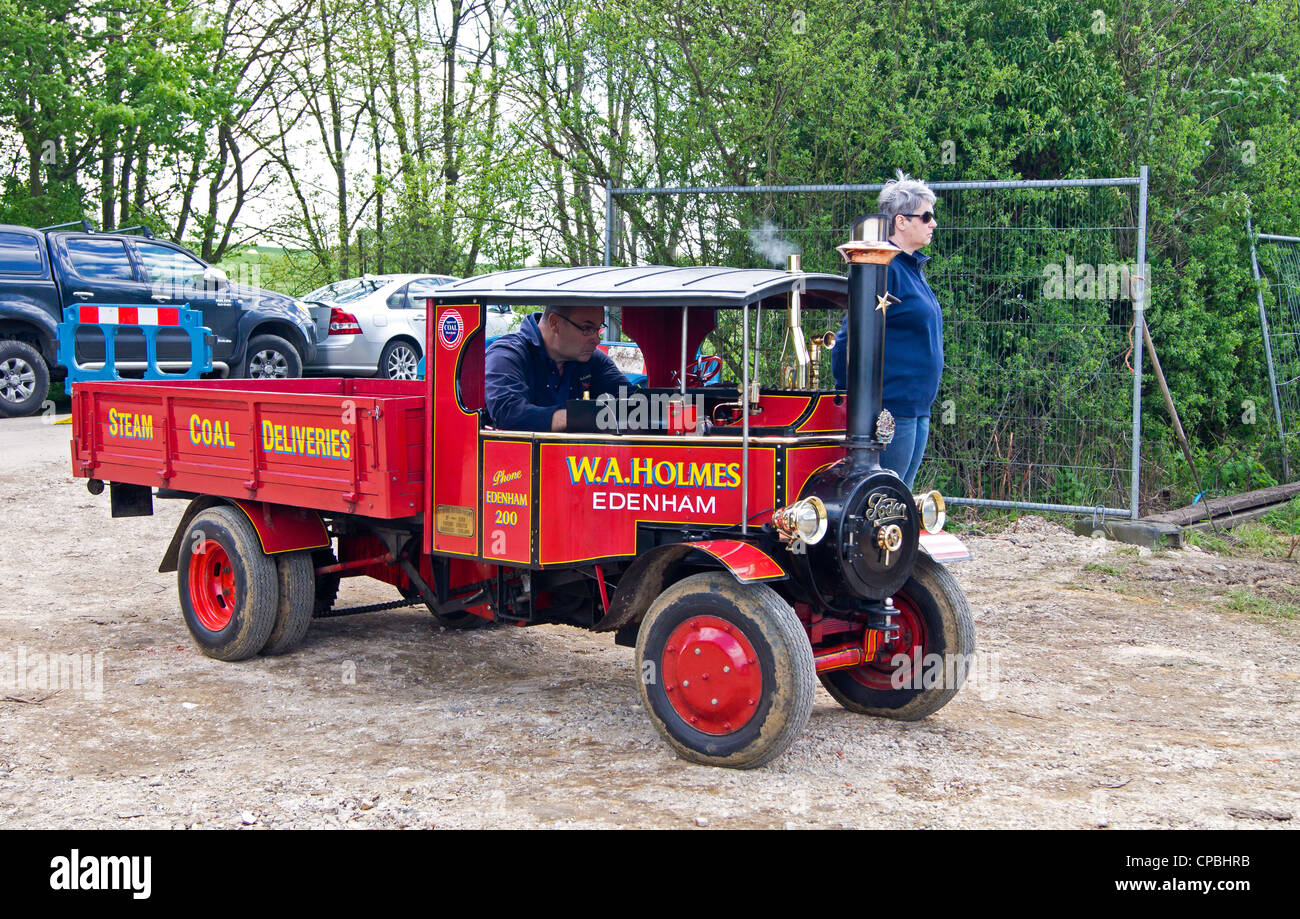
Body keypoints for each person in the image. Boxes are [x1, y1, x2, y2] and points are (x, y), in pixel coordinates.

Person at [830, 171, 942, 489]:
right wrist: (849, 397)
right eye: (926, 216)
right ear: (901, 222)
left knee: (900, 498)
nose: (933, 223)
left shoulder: (912, 269)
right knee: (885, 497)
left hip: (918, 407)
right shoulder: (885, 268)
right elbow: (846, 341)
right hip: (892, 411)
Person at [485, 303, 629, 431]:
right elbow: (507, 412)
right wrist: (580, 418)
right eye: (587, 328)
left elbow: (631, 399)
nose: (597, 340)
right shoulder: (507, 355)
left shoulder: (591, 359)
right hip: (517, 459)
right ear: (555, 323)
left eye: (598, 329)